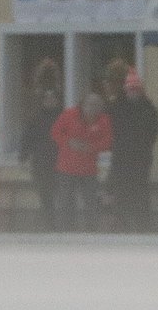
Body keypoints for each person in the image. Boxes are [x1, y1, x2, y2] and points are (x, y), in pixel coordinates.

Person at [107, 68, 158, 233]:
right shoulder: (116, 108)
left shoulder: (149, 109)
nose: (133, 92)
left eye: (136, 89)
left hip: (140, 159)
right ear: (125, 90)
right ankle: (122, 225)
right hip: (121, 158)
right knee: (121, 192)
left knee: (140, 192)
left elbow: (152, 134)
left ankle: (143, 226)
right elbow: (110, 132)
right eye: (130, 89)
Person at [51, 91, 112, 231]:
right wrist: (69, 142)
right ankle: (65, 231)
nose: (93, 109)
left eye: (97, 106)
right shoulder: (69, 115)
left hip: (89, 168)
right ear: (83, 105)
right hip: (66, 167)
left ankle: (92, 230)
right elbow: (55, 132)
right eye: (90, 105)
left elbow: (108, 140)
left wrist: (92, 147)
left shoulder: (104, 120)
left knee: (91, 201)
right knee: (66, 201)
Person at [19, 87, 63, 231]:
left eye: (53, 98)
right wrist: (23, 155)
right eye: (47, 98)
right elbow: (27, 138)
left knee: (62, 193)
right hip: (41, 162)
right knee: (45, 193)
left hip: (61, 162)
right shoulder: (36, 119)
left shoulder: (63, 118)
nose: (50, 101)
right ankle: (49, 223)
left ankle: (62, 223)